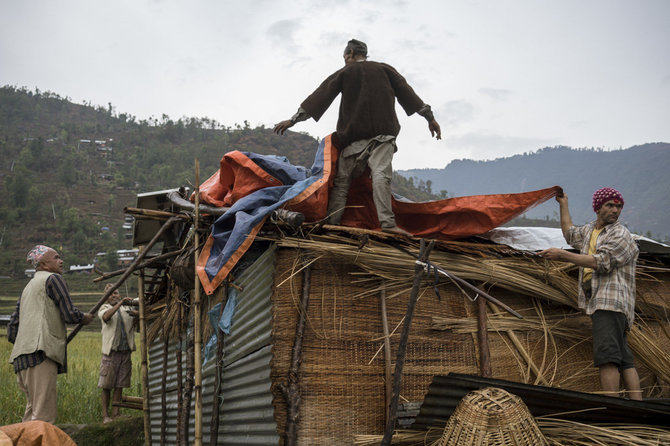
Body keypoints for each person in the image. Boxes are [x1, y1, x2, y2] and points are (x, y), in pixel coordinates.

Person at [274, 38, 442, 236]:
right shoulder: (385, 69)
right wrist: (430, 118)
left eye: (345, 56)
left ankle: (331, 224)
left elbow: (320, 95)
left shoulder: (345, 72)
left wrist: (293, 120)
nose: (345, 59)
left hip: (353, 140)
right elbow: (409, 94)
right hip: (383, 136)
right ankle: (387, 224)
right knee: (381, 175)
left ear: (351, 54)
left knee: (342, 182)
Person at [540, 187, 642, 400]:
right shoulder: (590, 231)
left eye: (618, 206)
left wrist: (563, 256)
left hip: (610, 302)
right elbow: (570, 233)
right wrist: (564, 204)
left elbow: (601, 262)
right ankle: (638, 407)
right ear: (597, 208)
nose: (615, 210)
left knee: (607, 358)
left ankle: (611, 408)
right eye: (610, 205)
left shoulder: (620, 234)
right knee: (624, 359)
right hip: (600, 301)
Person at [7, 245, 94, 423]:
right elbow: (69, 314)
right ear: (44, 264)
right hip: (40, 355)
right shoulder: (53, 279)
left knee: (32, 414)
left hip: (21, 359)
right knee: (43, 418)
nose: (61, 261)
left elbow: (12, 330)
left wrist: (27, 340)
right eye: (56, 258)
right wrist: (84, 318)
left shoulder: (27, 288)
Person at [97, 283, 137, 423]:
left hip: (125, 352)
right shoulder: (104, 308)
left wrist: (132, 303)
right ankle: (105, 416)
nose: (114, 295)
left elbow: (138, 308)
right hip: (111, 353)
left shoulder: (127, 308)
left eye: (116, 293)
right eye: (111, 294)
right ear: (106, 297)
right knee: (107, 385)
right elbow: (107, 317)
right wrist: (120, 303)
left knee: (120, 384)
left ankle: (116, 413)